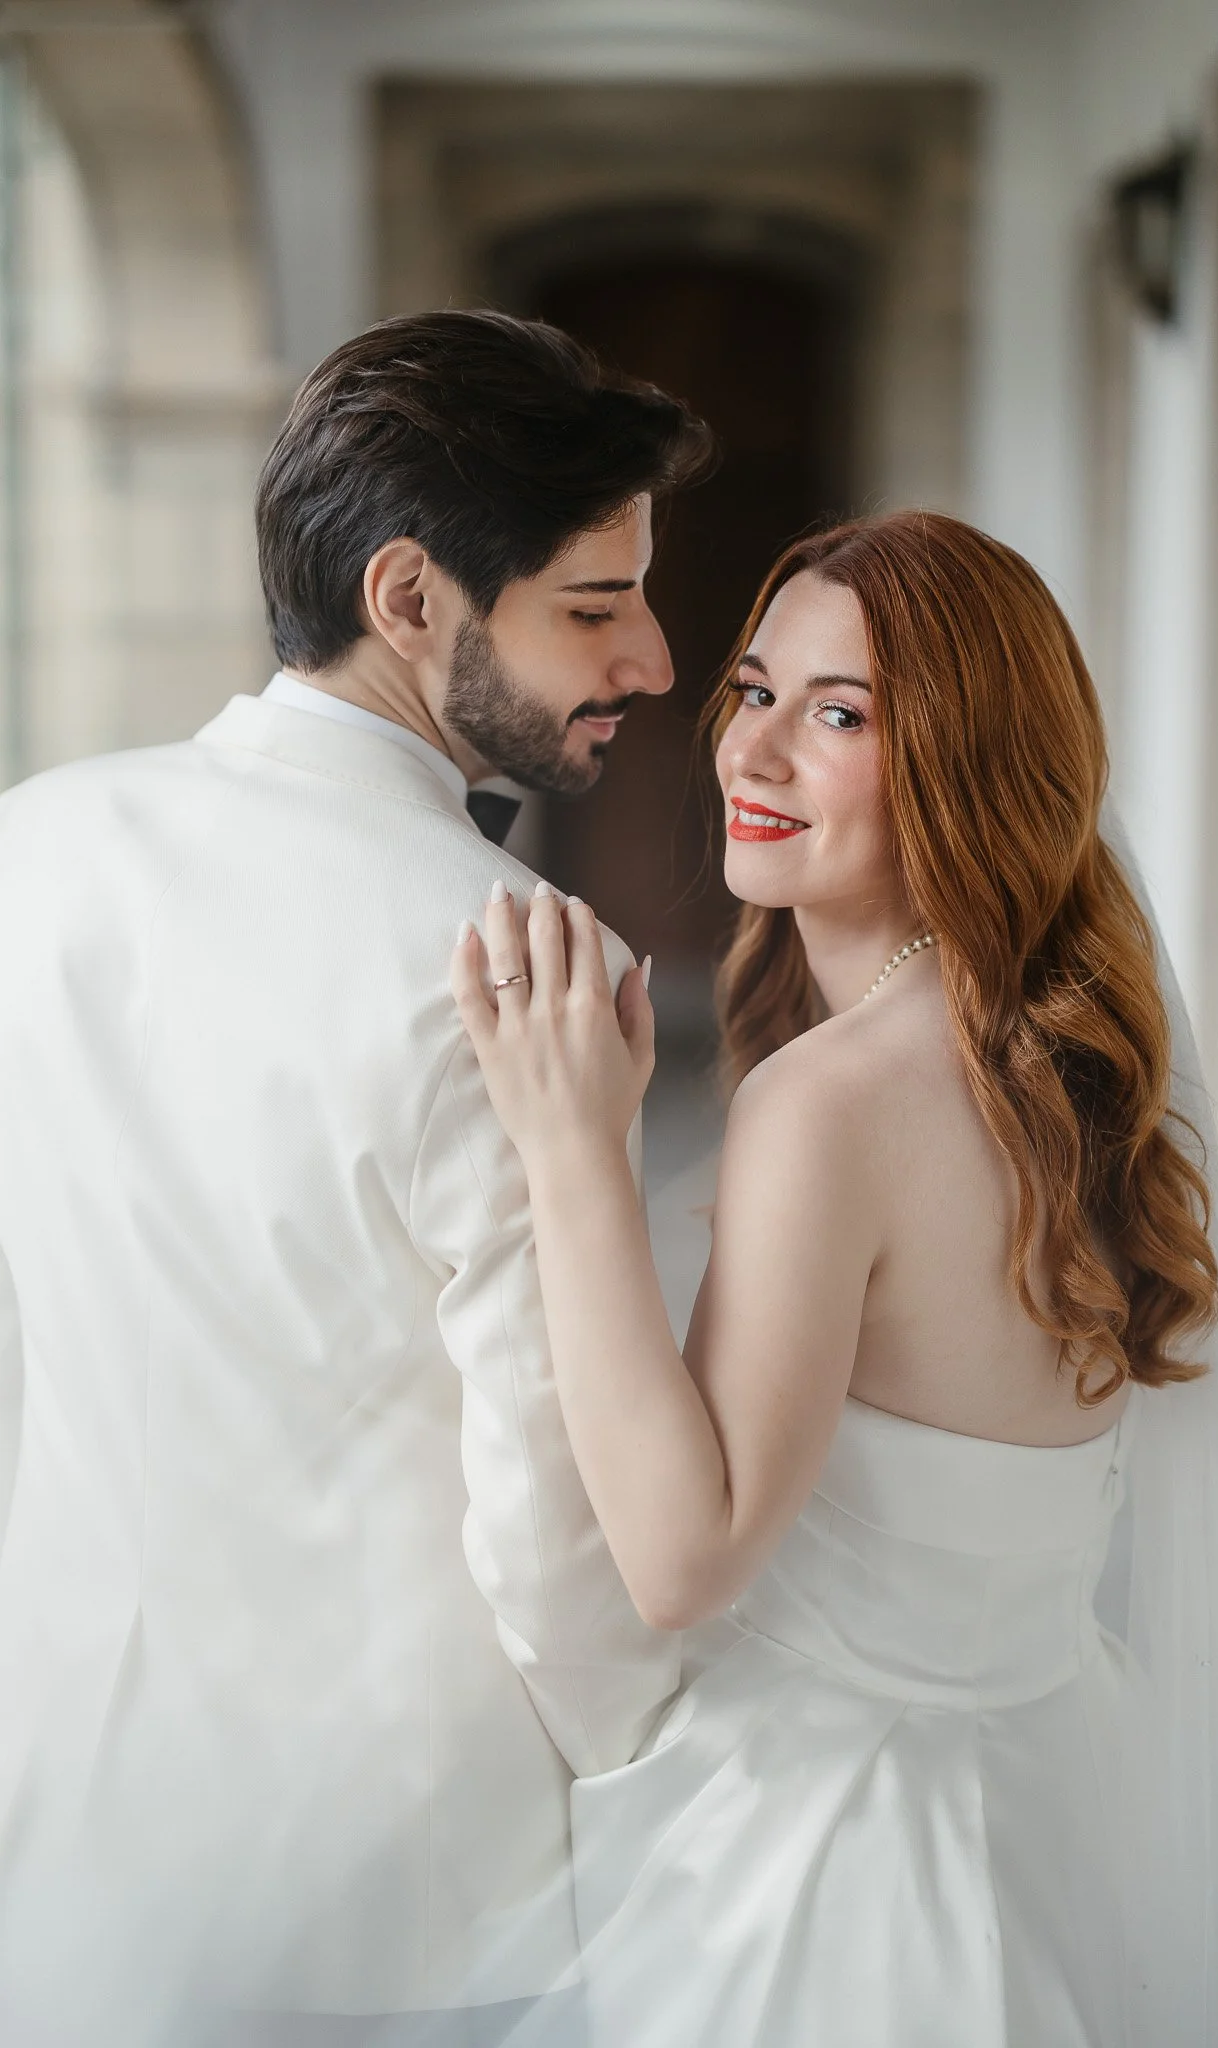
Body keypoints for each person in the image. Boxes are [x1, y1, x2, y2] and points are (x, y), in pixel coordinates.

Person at [453, 510, 1218, 2047]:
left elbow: (685, 1558)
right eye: (751, 692)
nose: (750, 753)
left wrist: (570, 1152)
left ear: (969, 761)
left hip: (842, 1871)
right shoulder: (1054, 1063)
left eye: (840, 715)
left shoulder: (830, 1102)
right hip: (1060, 1795)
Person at [0, 309, 711, 2046]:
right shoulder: (525, 962)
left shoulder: (32, 847)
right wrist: (676, 1783)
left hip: (63, 1828)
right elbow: (560, 1525)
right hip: (414, 1898)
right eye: (595, 608)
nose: (656, 661)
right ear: (411, 601)